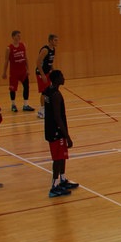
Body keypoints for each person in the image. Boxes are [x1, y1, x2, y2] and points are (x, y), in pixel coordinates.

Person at [43, 70, 78, 198]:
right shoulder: (56, 95)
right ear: (57, 79)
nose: (64, 78)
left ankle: (62, 180)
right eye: (62, 76)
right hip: (56, 131)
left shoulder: (48, 90)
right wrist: (67, 136)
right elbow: (58, 117)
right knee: (57, 159)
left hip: (50, 129)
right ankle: (54, 186)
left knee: (62, 156)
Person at [2, 30, 34, 113]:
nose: (19, 37)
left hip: (23, 71)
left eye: (20, 36)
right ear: (13, 37)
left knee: (26, 87)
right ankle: (13, 105)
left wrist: (28, 69)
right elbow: (6, 61)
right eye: (17, 36)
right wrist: (4, 72)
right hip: (14, 72)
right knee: (13, 89)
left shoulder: (23, 45)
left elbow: (26, 58)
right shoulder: (9, 48)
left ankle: (25, 105)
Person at [35, 34, 59, 120]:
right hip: (41, 73)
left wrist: (53, 71)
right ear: (50, 40)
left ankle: (46, 109)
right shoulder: (45, 50)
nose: (57, 42)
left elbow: (50, 62)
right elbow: (38, 62)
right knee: (44, 92)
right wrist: (42, 74)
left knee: (48, 91)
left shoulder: (53, 49)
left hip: (48, 73)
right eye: (55, 40)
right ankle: (41, 111)